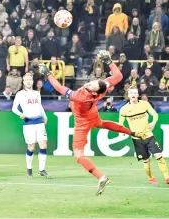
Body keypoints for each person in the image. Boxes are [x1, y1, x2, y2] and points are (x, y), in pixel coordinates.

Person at [45, 50, 144, 195]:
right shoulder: (102, 87)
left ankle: (101, 178)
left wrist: (48, 74)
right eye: (91, 83)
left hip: (82, 121)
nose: (89, 85)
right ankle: (131, 132)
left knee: (78, 156)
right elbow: (119, 76)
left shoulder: (81, 96)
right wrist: (109, 61)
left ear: (95, 92)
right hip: (92, 114)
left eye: (91, 86)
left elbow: (60, 88)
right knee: (101, 124)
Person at [119, 86, 169, 185]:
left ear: (138, 94)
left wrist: (154, 122)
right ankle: (151, 178)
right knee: (146, 160)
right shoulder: (124, 109)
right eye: (131, 93)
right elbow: (120, 123)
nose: (133, 94)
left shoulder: (145, 104)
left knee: (159, 156)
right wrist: (123, 131)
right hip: (137, 139)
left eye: (135, 93)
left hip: (149, 136)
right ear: (128, 95)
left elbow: (155, 114)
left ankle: (167, 177)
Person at [12, 73, 49, 178]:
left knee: (43, 145)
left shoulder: (37, 93)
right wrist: (20, 114)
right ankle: (29, 168)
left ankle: (42, 169)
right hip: (28, 123)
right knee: (31, 147)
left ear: (33, 81)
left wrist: (44, 116)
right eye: (26, 80)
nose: (28, 81)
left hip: (39, 122)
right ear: (23, 82)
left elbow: (39, 106)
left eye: (30, 79)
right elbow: (14, 108)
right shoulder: (20, 94)